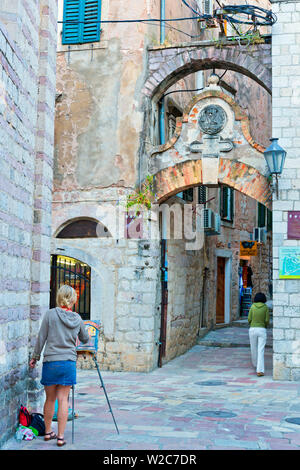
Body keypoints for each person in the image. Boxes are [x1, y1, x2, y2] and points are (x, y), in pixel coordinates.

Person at [29, 285, 90, 447]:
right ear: (73, 300)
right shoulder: (77, 318)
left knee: (50, 399)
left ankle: (48, 432)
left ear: (59, 297)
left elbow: (41, 338)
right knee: (63, 400)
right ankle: (61, 437)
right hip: (68, 363)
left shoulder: (50, 314)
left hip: (51, 362)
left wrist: (35, 357)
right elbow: (85, 339)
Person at [248, 292, 270, 377]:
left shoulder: (252, 307)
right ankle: (260, 370)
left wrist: (252, 323)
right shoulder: (265, 308)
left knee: (253, 348)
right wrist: (264, 325)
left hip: (252, 329)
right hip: (262, 329)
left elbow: (249, 318)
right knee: (261, 350)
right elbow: (267, 320)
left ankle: (255, 364)